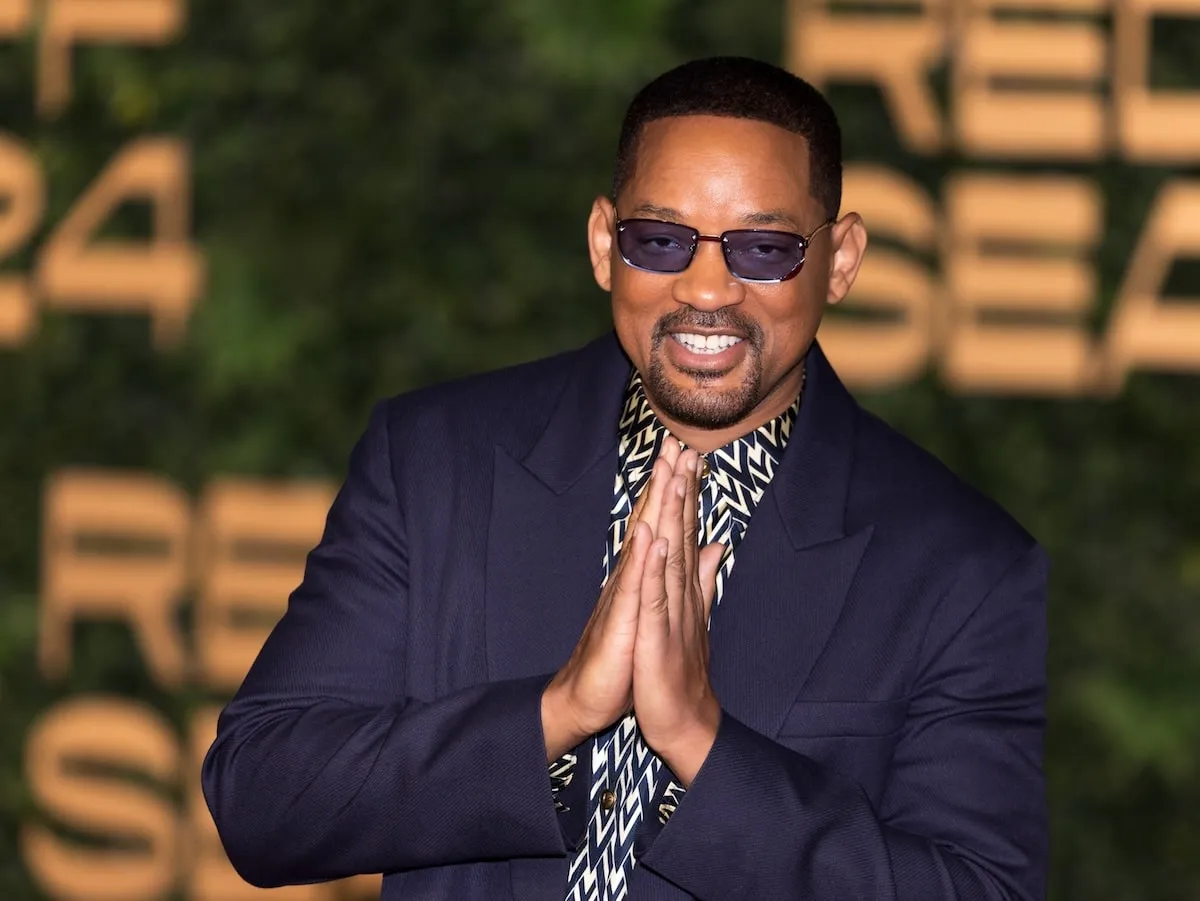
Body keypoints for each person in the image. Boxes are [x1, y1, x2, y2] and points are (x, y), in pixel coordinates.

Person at [202, 56, 1048, 901]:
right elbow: (262, 796)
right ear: (606, 243)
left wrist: (705, 748)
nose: (707, 287)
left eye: (763, 248)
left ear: (841, 259)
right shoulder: (433, 464)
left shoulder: (963, 568)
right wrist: (553, 717)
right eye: (662, 240)